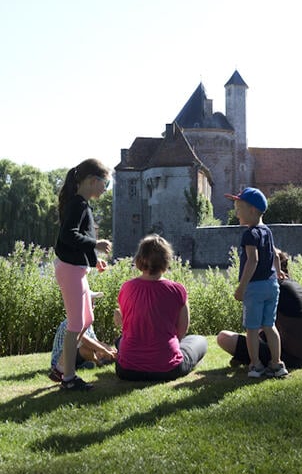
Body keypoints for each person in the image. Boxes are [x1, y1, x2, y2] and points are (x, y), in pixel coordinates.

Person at [115, 234, 207, 382]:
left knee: (121, 340)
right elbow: (182, 330)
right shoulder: (177, 289)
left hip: (126, 370)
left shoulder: (126, 288)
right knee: (199, 340)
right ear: (166, 259)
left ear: (139, 258)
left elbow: (125, 324)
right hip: (166, 368)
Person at [54, 159, 112, 391]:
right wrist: (96, 244)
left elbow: (75, 241)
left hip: (75, 268)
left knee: (86, 319)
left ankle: (61, 367)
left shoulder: (81, 204)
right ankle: (67, 378)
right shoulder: (78, 204)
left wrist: (93, 259)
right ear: (91, 181)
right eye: (105, 184)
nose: (105, 190)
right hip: (70, 270)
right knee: (76, 323)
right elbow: (67, 236)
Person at [224, 187, 288, 378]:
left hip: (255, 287)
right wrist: (278, 273)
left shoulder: (250, 234)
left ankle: (256, 365)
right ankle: (277, 365)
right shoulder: (267, 231)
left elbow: (253, 260)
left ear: (252, 210)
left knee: (252, 328)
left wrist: (241, 287)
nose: (236, 212)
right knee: (269, 326)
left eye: (239, 208)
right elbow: (276, 254)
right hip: (271, 286)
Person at [217, 250, 302, 371]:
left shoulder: (273, 289)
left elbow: (253, 325)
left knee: (223, 337)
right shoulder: (292, 285)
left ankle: (252, 360)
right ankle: (246, 357)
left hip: (291, 358)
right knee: (260, 332)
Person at [48, 292, 117, 382]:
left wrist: (110, 350)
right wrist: (104, 351)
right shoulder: (71, 322)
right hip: (60, 361)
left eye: (94, 304)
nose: (94, 306)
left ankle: (85, 364)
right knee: (86, 348)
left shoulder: (87, 323)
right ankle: (99, 363)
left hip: (75, 356)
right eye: (91, 304)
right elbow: (86, 340)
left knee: (96, 350)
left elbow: (95, 342)